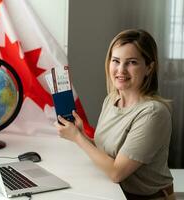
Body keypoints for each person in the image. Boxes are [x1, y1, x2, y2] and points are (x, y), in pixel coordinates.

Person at [55, 29, 175, 200]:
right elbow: (108, 154)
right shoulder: (112, 99)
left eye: (132, 62)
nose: (121, 70)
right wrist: (81, 135)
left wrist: (77, 138)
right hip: (115, 194)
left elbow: (116, 172)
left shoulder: (153, 113)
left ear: (149, 67)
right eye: (116, 61)